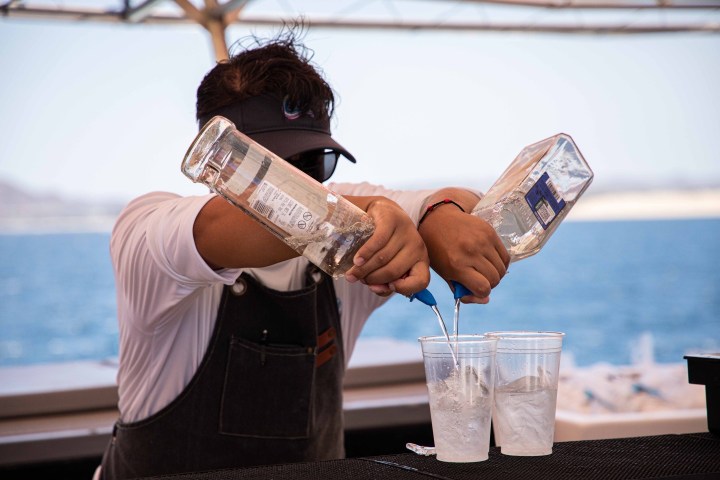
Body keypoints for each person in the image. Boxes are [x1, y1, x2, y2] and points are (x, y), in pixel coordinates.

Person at [99, 26, 509, 480]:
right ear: (218, 165)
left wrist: (441, 217)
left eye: (314, 163)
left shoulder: (357, 222)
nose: (306, 185)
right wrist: (382, 216)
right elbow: (226, 226)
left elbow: (458, 201)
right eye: (274, 168)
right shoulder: (150, 230)